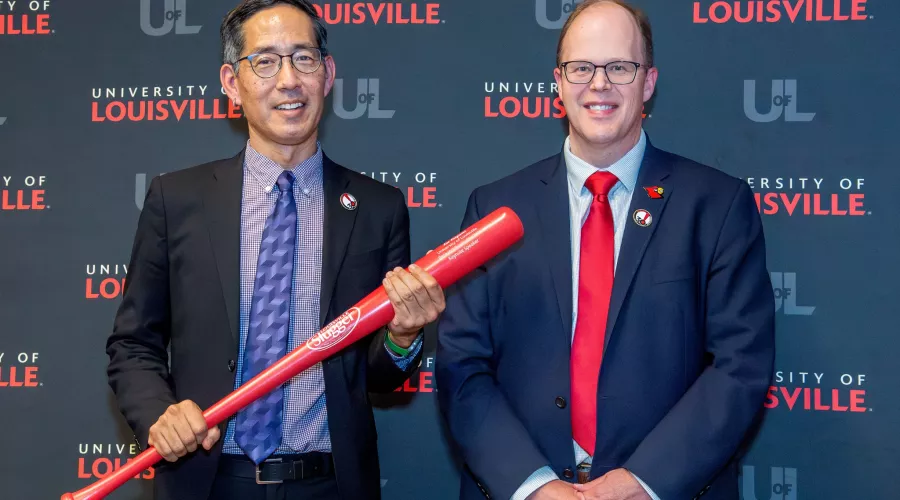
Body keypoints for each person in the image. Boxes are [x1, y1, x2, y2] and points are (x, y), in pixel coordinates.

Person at [106, 1, 446, 499]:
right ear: (230, 83)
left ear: (327, 75)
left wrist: (404, 333)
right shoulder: (176, 200)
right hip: (207, 481)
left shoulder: (378, 207)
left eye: (303, 59)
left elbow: (377, 376)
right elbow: (132, 344)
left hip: (330, 484)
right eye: (265, 61)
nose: (288, 80)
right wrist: (161, 413)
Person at [436, 1, 775, 499]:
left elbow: (740, 366)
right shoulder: (494, 208)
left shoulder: (718, 206)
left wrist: (641, 482)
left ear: (649, 82)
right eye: (582, 68)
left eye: (620, 67)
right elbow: (462, 364)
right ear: (558, 81)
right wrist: (534, 485)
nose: (599, 84)